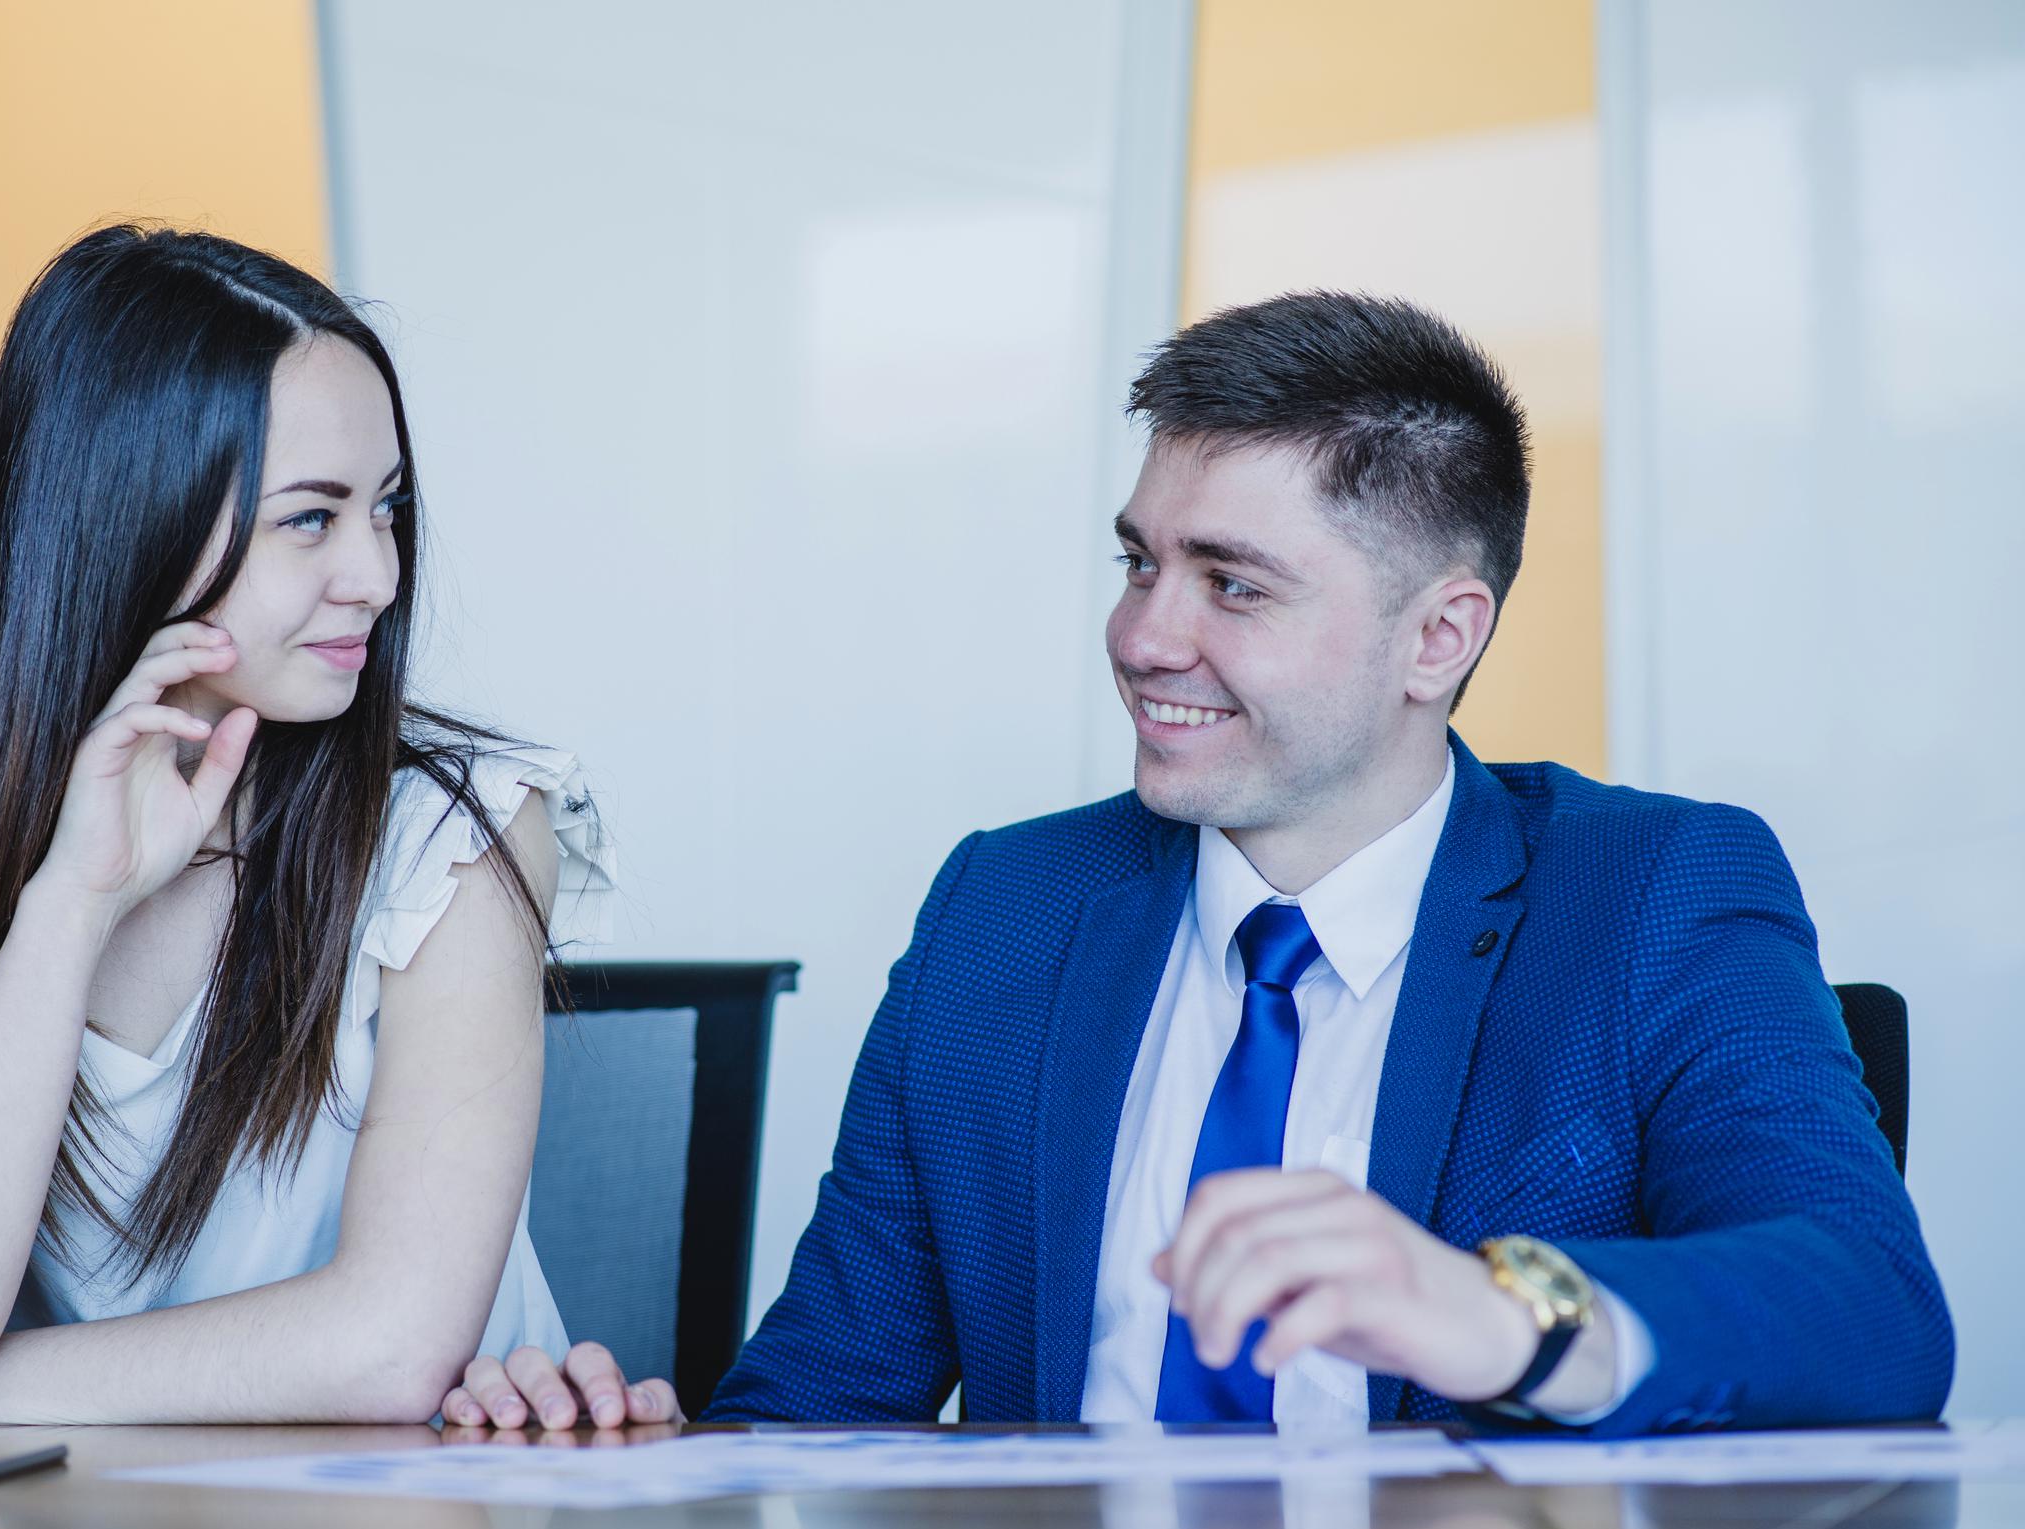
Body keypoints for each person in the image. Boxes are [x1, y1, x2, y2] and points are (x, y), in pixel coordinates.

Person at [463, 292, 1953, 1435]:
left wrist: (1497, 1310)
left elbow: (1873, 1313)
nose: (1143, 637)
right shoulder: (1005, 911)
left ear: (1440, 636)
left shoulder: (1652, 896)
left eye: (1231, 583)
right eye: (1139, 561)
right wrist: (633, 1464)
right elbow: (823, 1402)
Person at [0, 226, 676, 1431]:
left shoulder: (457, 832)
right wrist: (73, 897)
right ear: (129, 523)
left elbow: (391, 1349)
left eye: (388, 508)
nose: (376, 573)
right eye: (311, 519)